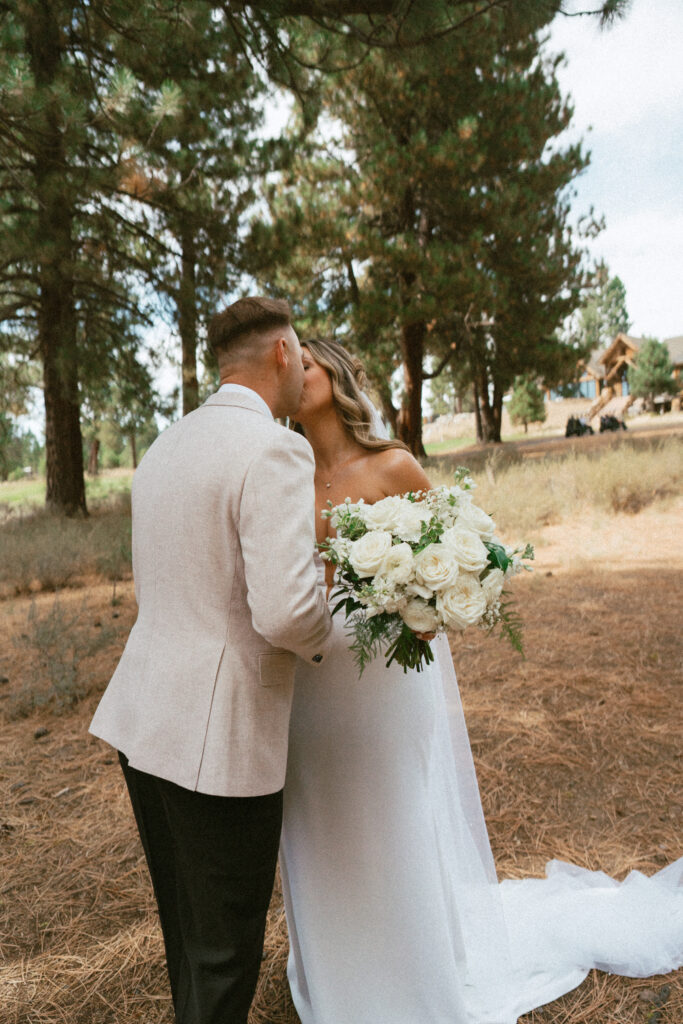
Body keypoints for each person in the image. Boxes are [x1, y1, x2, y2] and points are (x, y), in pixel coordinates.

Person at [279, 337, 683, 1024]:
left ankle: (413, 975)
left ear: (337, 375)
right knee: (322, 824)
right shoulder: (279, 476)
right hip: (310, 690)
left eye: (307, 363)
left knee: (392, 820)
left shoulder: (392, 465)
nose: (295, 373)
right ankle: (340, 974)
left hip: (383, 684)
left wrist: (425, 607)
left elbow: (458, 563)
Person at [89, 297, 333, 1024]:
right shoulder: (275, 449)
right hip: (216, 740)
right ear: (283, 354)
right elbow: (287, 612)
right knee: (226, 951)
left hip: (145, 721)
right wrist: (332, 632)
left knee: (190, 938)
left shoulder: (166, 445)